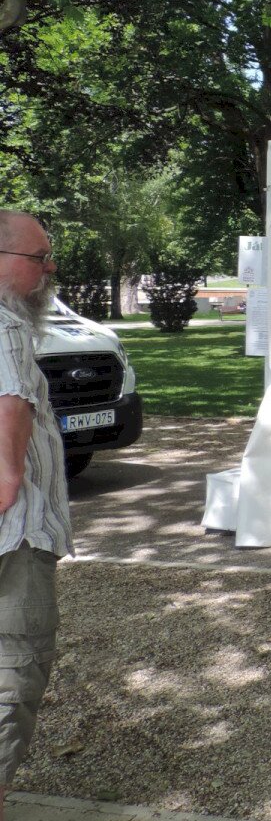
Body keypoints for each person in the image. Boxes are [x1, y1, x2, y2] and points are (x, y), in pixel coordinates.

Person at [0, 210, 69, 814]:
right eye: (38, 257)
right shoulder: (6, 326)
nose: (49, 268)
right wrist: (8, 478)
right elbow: (11, 400)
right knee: (17, 667)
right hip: (15, 532)